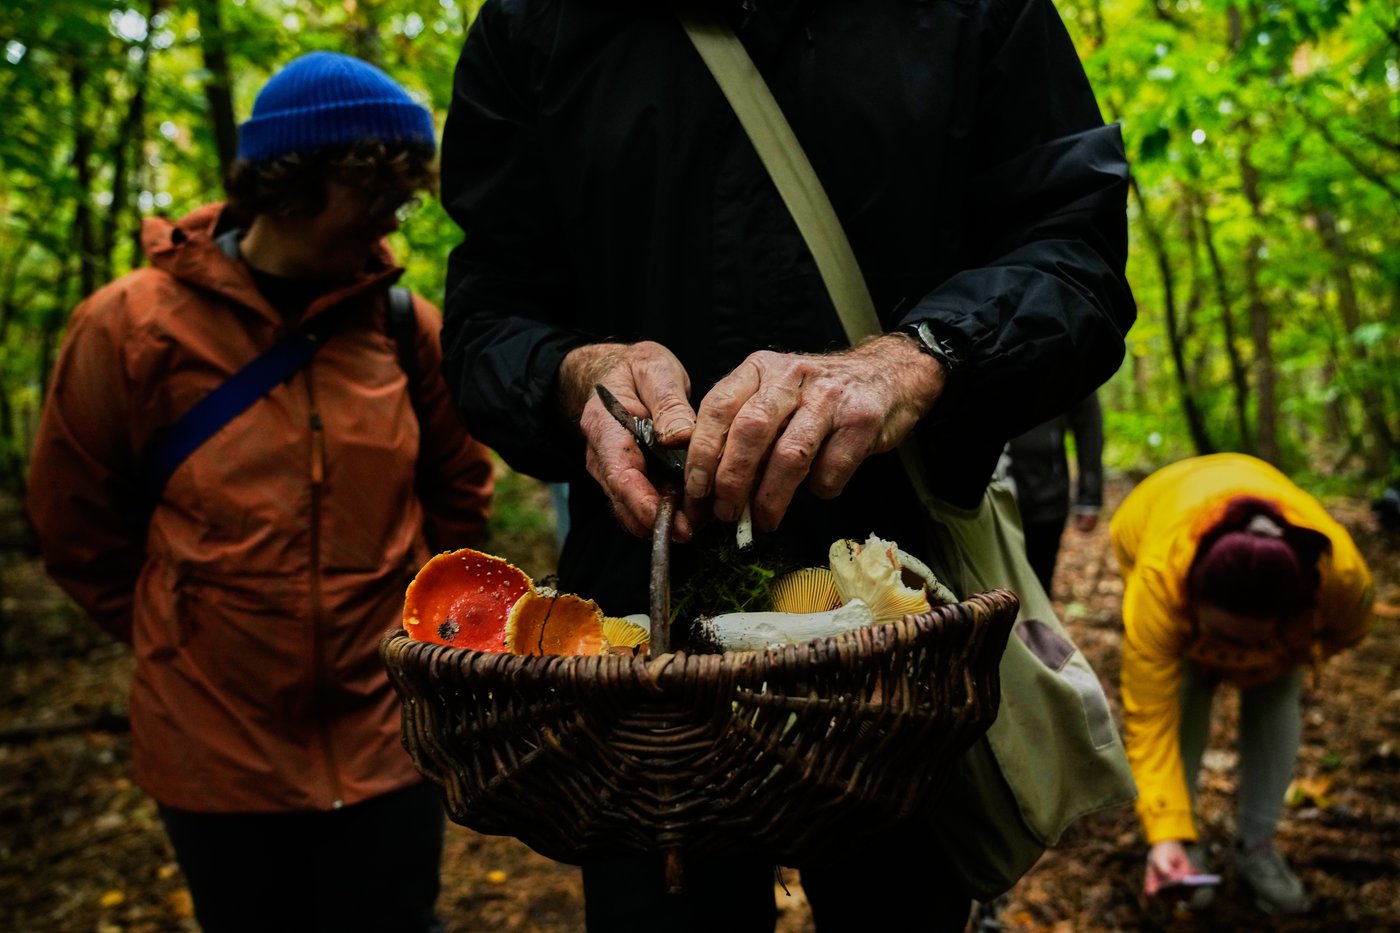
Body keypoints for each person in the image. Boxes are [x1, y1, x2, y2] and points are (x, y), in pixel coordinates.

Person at [438, 1, 1136, 930]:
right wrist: (573, 378)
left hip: (900, 639)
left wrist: (915, 359)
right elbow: (490, 311)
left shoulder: (976, 13)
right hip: (641, 644)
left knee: (901, 906)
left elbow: (1077, 252)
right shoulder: (539, 25)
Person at [26, 51, 495, 933]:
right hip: (213, 744)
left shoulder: (402, 328)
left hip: (383, 734)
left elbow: (458, 488)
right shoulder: (127, 326)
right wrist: (185, 624)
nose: (391, 220)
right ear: (295, 185)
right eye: (377, 195)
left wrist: (408, 626)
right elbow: (74, 525)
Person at [1110, 453, 1374, 915]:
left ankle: (1258, 847)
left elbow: (1346, 634)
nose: (1229, 654)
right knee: (1186, 690)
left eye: (1244, 641)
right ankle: (1181, 842)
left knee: (1276, 689)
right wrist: (1163, 833)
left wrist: (1279, 656)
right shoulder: (1158, 582)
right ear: (1191, 599)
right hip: (1157, 509)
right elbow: (1149, 718)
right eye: (1220, 637)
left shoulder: (1342, 578)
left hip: (1280, 628)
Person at [1004, 390, 1105, 594]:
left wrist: (1089, 497)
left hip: (1043, 499)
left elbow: (1089, 426)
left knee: (1037, 586)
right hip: (979, 499)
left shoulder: (1071, 362)